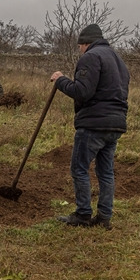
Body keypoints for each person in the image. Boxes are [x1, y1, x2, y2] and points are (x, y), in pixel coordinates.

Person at [50, 24, 130, 230]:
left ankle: (83, 214)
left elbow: (82, 91)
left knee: (79, 168)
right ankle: (104, 217)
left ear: (85, 43)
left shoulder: (91, 57)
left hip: (94, 123)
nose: (79, 50)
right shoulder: (119, 60)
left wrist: (60, 81)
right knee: (105, 172)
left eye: (79, 46)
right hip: (115, 124)